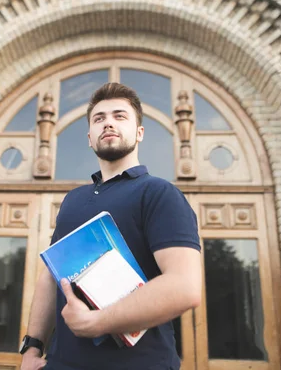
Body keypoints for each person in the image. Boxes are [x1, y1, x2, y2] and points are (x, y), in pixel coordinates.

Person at [19, 82, 202, 370]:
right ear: (89, 137)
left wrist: (97, 322)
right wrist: (32, 347)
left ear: (139, 133)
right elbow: (50, 276)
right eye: (99, 118)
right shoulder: (73, 200)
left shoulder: (158, 193)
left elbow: (185, 286)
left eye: (120, 116)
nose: (108, 124)